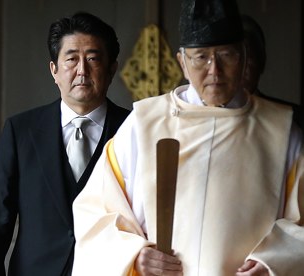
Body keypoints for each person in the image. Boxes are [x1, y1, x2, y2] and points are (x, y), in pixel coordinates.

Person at [71, 0, 304, 275]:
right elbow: (96, 214)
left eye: (226, 55)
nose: (214, 71)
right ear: (182, 61)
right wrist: (135, 256)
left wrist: (272, 262)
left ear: (242, 56)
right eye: (201, 57)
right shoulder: (145, 123)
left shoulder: (279, 130)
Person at [0, 12, 130, 276]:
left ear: (112, 68)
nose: (82, 70)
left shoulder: (134, 130)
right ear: (54, 70)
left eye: (92, 58)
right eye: (71, 59)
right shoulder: (21, 131)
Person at [242, 14, 304, 129]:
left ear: (261, 62)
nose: (238, 67)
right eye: (228, 57)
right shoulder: (202, 121)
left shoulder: (293, 119)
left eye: (247, 58)